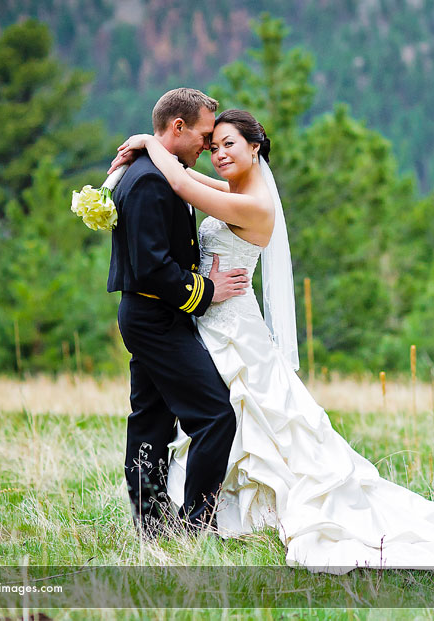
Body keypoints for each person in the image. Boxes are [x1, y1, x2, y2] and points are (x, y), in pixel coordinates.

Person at [108, 109, 434, 588]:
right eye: (214, 143)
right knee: (221, 418)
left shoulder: (255, 204)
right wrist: (157, 150)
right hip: (213, 321)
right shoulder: (234, 192)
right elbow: (193, 182)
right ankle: (201, 518)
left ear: (256, 149)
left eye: (228, 144)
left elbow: (181, 180)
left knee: (243, 418)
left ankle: (200, 522)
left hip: (233, 324)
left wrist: (145, 141)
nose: (218, 153)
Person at [107, 88, 251, 536]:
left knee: (150, 420)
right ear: (178, 127)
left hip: (148, 314)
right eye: (206, 136)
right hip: (156, 317)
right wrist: (206, 292)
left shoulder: (154, 170)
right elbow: (152, 268)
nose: (209, 146)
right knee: (214, 417)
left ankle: (150, 523)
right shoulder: (149, 179)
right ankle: (195, 524)